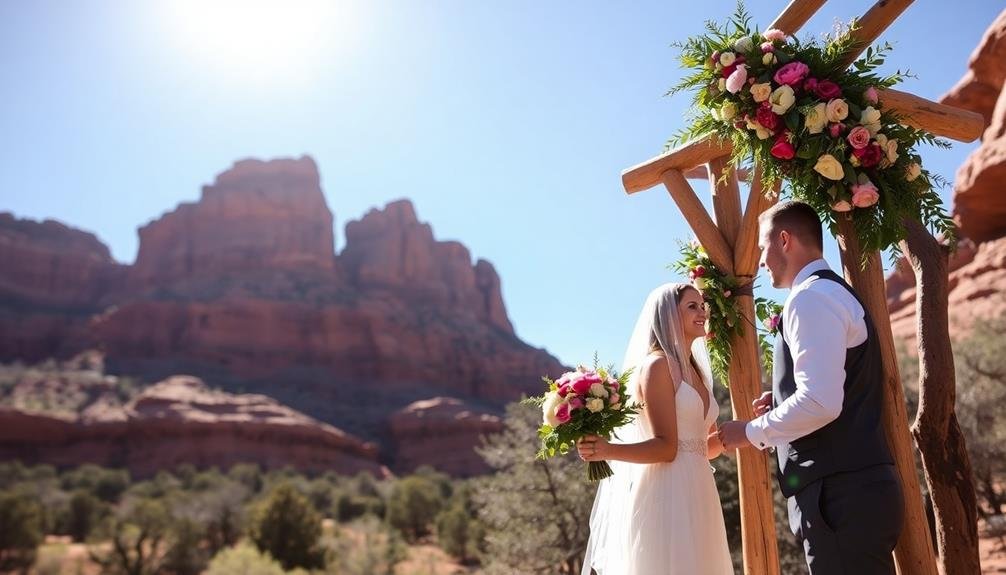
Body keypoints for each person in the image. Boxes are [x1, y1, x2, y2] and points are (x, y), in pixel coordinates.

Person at [717, 201, 904, 574]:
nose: (761, 261)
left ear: (784, 240)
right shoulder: (828, 293)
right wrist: (784, 400)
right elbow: (835, 387)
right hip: (849, 494)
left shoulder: (810, 299)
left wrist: (750, 432)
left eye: (763, 247)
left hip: (839, 498)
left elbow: (820, 401)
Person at [577, 282, 733, 575]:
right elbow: (666, 447)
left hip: (700, 490)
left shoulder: (696, 372)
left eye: (702, 306)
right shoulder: (657, 366)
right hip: (668, 492)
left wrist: (747, 431)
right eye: (692, 306)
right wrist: (608, 450)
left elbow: (704, 447)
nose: (702, 312)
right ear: (668, 315)